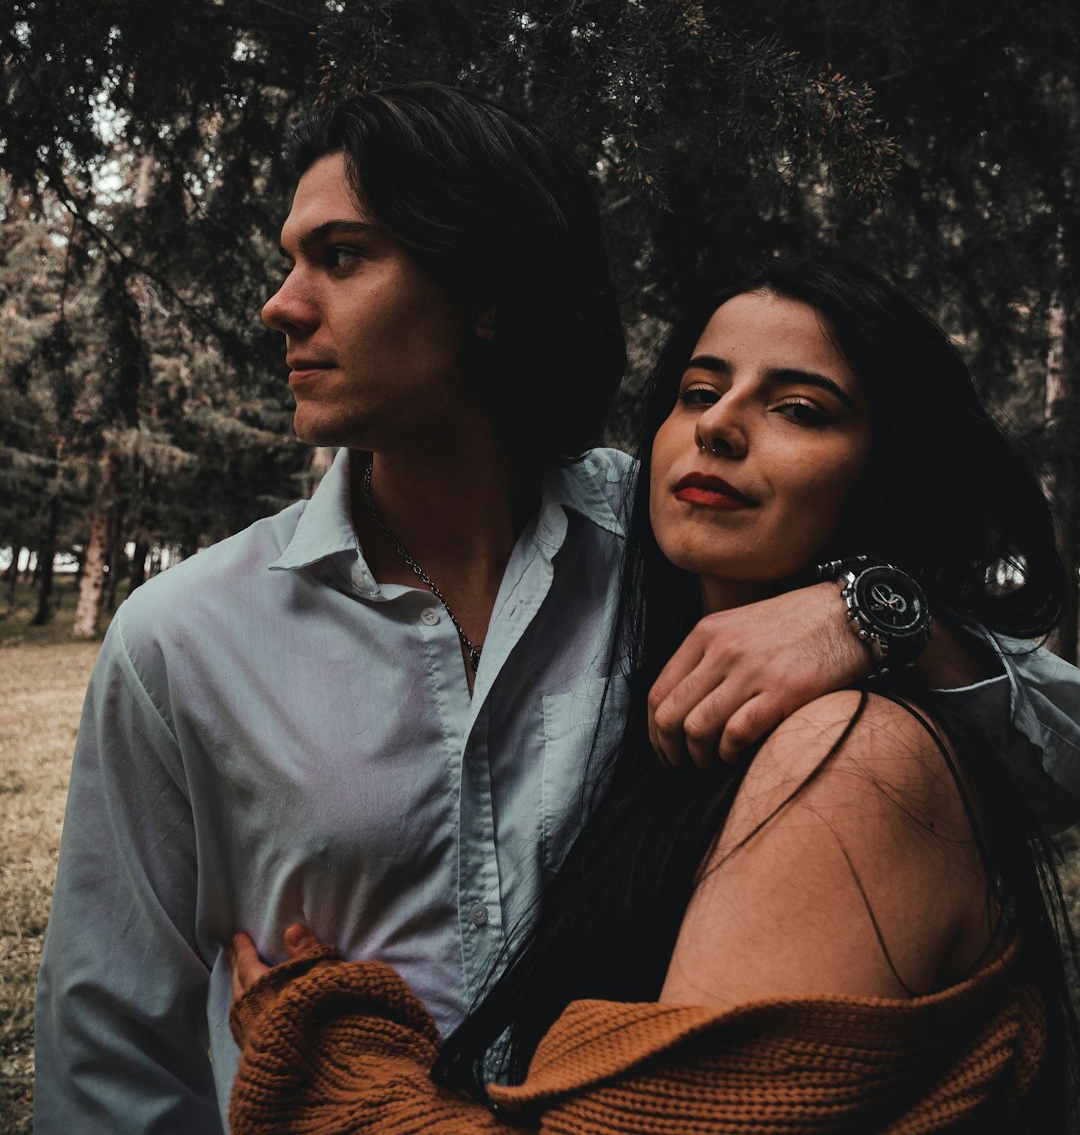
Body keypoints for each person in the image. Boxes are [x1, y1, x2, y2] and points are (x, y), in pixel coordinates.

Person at [35, 89, 1080, 1131]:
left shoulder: (676, 545)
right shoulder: (182, 638)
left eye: (341, 257)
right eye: (290, 258)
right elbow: (112, 1055)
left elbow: (1052, 750)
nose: (282, 303)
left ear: (484, 289)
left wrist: (865, 616)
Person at [226, 259, 1078, 1132]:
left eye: (798, 410)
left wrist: (338, 1075)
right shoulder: (670, 711)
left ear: (888, 471)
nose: (719, 426)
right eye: (698, 391)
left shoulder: (854, 756)